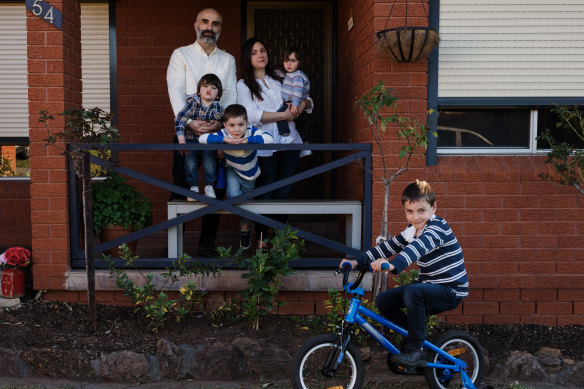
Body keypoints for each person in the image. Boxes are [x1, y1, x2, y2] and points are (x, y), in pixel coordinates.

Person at [340, 180, 469, 368]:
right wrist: (355, 262)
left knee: (413, 292)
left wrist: (393, 266)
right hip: (429, 286)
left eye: (421, 211)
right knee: (384, 301)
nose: (416, 217)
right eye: (410, 211)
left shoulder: (437, 228)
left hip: (449, 290)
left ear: (434, 208)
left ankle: (416, 350)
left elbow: (416, 249)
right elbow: (387, 247)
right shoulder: (412, 230)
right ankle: (415, 341)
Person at [166, 8, 237, 257]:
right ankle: (174, 247)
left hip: (216, 132)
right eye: (205, 22)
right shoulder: (181, 54)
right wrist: (188, 124)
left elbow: (230, 95)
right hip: (186, 131)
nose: (209, 27)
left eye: (215, 24)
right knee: (180, 185)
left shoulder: (227, 60)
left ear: (220, 28)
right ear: (195, 24)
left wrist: (221, 125)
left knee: (214, 188)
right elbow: (175, 90)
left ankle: (207, 245)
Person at [236, 37, 312, 250]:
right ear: (247, 58)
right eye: (254, 52)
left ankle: (279, 242)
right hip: (264, 144)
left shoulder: (280, 76)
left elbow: (305, 96)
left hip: (289, 141)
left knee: (284, 193)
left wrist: (302, 104)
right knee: (266, 192)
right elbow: (250, 115)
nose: (260, 55)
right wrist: (282, 116)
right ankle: (262, 241)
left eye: (262, 50)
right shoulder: (243, 85)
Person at [199, 104, 273, 249]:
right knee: (233, 197)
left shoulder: (251, 132)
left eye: (241, 125)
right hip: (232, 170)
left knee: (247, 202)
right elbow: (202, 138)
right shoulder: (224, 134)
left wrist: (247, 141)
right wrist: (224, 140)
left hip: (250, 173)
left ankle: (244, 227)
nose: (236, 130)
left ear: (247, 123)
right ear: (225, 125)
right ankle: (245, 225)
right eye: (231, 125)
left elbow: (269, 138)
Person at [175, 73, 223, 200]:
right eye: (205, 86)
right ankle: (193, 188)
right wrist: (181, 140)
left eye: (213, 88)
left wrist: (217, 125)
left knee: (210, 163)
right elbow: (180, 119)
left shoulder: (218, 108)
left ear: (217, 95)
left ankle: (209, 186)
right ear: (198, 91)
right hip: (191, 140)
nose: (209, 89)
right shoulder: (193, 104)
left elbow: (224, 125)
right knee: (190, 163)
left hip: (209, 143)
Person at [278, 47, 311, 155]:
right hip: (293, 103)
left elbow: (297, 91)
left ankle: (285, 136)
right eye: (286, 61)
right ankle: (305, 146)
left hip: (294, 103)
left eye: (293, 61)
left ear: (299, 62)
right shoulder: (290, 75)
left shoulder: (297, 76)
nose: (289, 64)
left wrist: (295, 105)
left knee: (280, 114)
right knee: (300, 126)